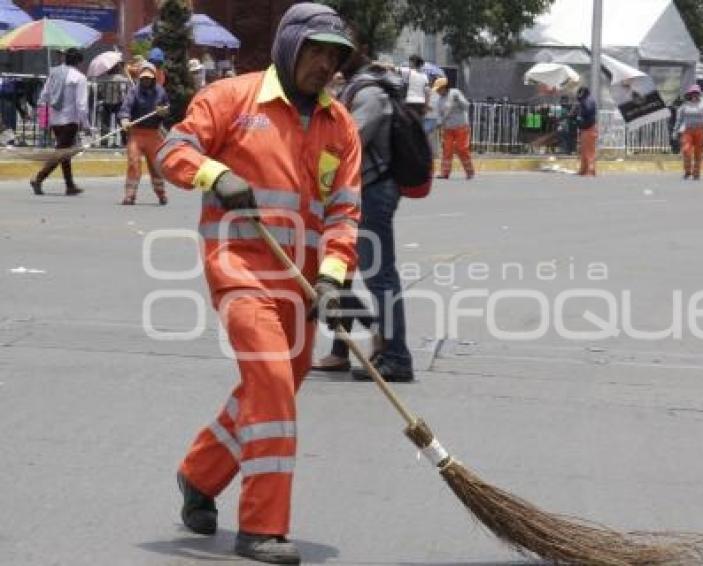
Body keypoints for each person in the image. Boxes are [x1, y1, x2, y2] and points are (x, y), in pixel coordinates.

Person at [155, 4, 359, 563]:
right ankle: (262, 527)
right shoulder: (232, 99)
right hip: (240, 266)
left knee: (272, 389)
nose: (325, 64)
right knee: (270, 380)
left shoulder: (339, 125)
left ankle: (199, 474)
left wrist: (334, 280)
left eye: (335, 56)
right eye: (316, 51)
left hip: (302, 283)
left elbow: (344, 214)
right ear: (290, 47)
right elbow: (174, 149)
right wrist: (215, 174)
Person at [313, 49, 416, 381]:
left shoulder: (370, 93)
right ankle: (343, 350)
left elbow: (348, 143)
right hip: (358, 191)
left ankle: (396, 355)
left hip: (373, 191)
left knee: (379, 276)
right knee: (337, 271)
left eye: (331, 55)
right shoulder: (358, 88)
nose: (326, 63)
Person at [30, 47, 90, 196]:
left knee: (64, 153)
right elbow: (81, 105)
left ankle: (70, 185)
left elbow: (44, 95)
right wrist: (87, 125)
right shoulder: (79, 77)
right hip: (70, 121)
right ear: (78, 62)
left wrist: (42, 113)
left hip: (55, 120)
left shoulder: (54, 73)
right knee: (61, 153)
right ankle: (39, 178)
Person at [119, 62, 170, 205]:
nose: (146, 80)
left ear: (154, 78)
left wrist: (163, 112)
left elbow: (166, 109)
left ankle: (161, 193)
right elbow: (126, 108)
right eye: (143, 78)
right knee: (133, 163)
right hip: (136, 133)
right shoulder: (134, 91)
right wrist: (124, 120)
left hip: (153, 134)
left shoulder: (161, 92)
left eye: (148, 78)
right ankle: (130, 195)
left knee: (156, 166)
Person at [433, 77, 474, 180]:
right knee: (447, 151)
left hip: (461, 127)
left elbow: (466, 106)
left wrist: (458, 100)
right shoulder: (439, 101)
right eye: (437, 90)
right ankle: (444, 173)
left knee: (462, 149)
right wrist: (438, 123)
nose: (437, 91)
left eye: (439, 89)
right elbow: (439, 115)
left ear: (445, 87)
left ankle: (470, 172)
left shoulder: (455, 93)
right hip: (448, 129)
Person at [673, 85, 703, 181]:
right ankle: (687, 171)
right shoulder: (684, 106)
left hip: (701, 131)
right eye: (693, 93)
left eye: (696, 93)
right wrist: (675, 131)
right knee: (686, 151)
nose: (695, 95)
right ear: (690, 94)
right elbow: (679, 120)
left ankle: (696, 172)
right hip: (688, 131)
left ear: (699, 94)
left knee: (698, 153)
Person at [573, 86, 598, 176]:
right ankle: (583, 170)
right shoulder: (585, 100)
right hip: (585, 128)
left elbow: (587, 110)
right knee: (583, 151)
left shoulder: (588, 101)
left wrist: (581, 105)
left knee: (589, 151)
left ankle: (590, 170)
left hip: (590, 128)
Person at [403, 54, 430, 118]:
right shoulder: (424, 76)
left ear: (413, 62)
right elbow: (427, 92)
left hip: (410, 101)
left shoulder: (408, 72)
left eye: (409, 62)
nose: (409, 64)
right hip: (421, 103)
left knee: (409, 124)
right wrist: (426, 106)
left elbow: (393, 68)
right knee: (418, 124)